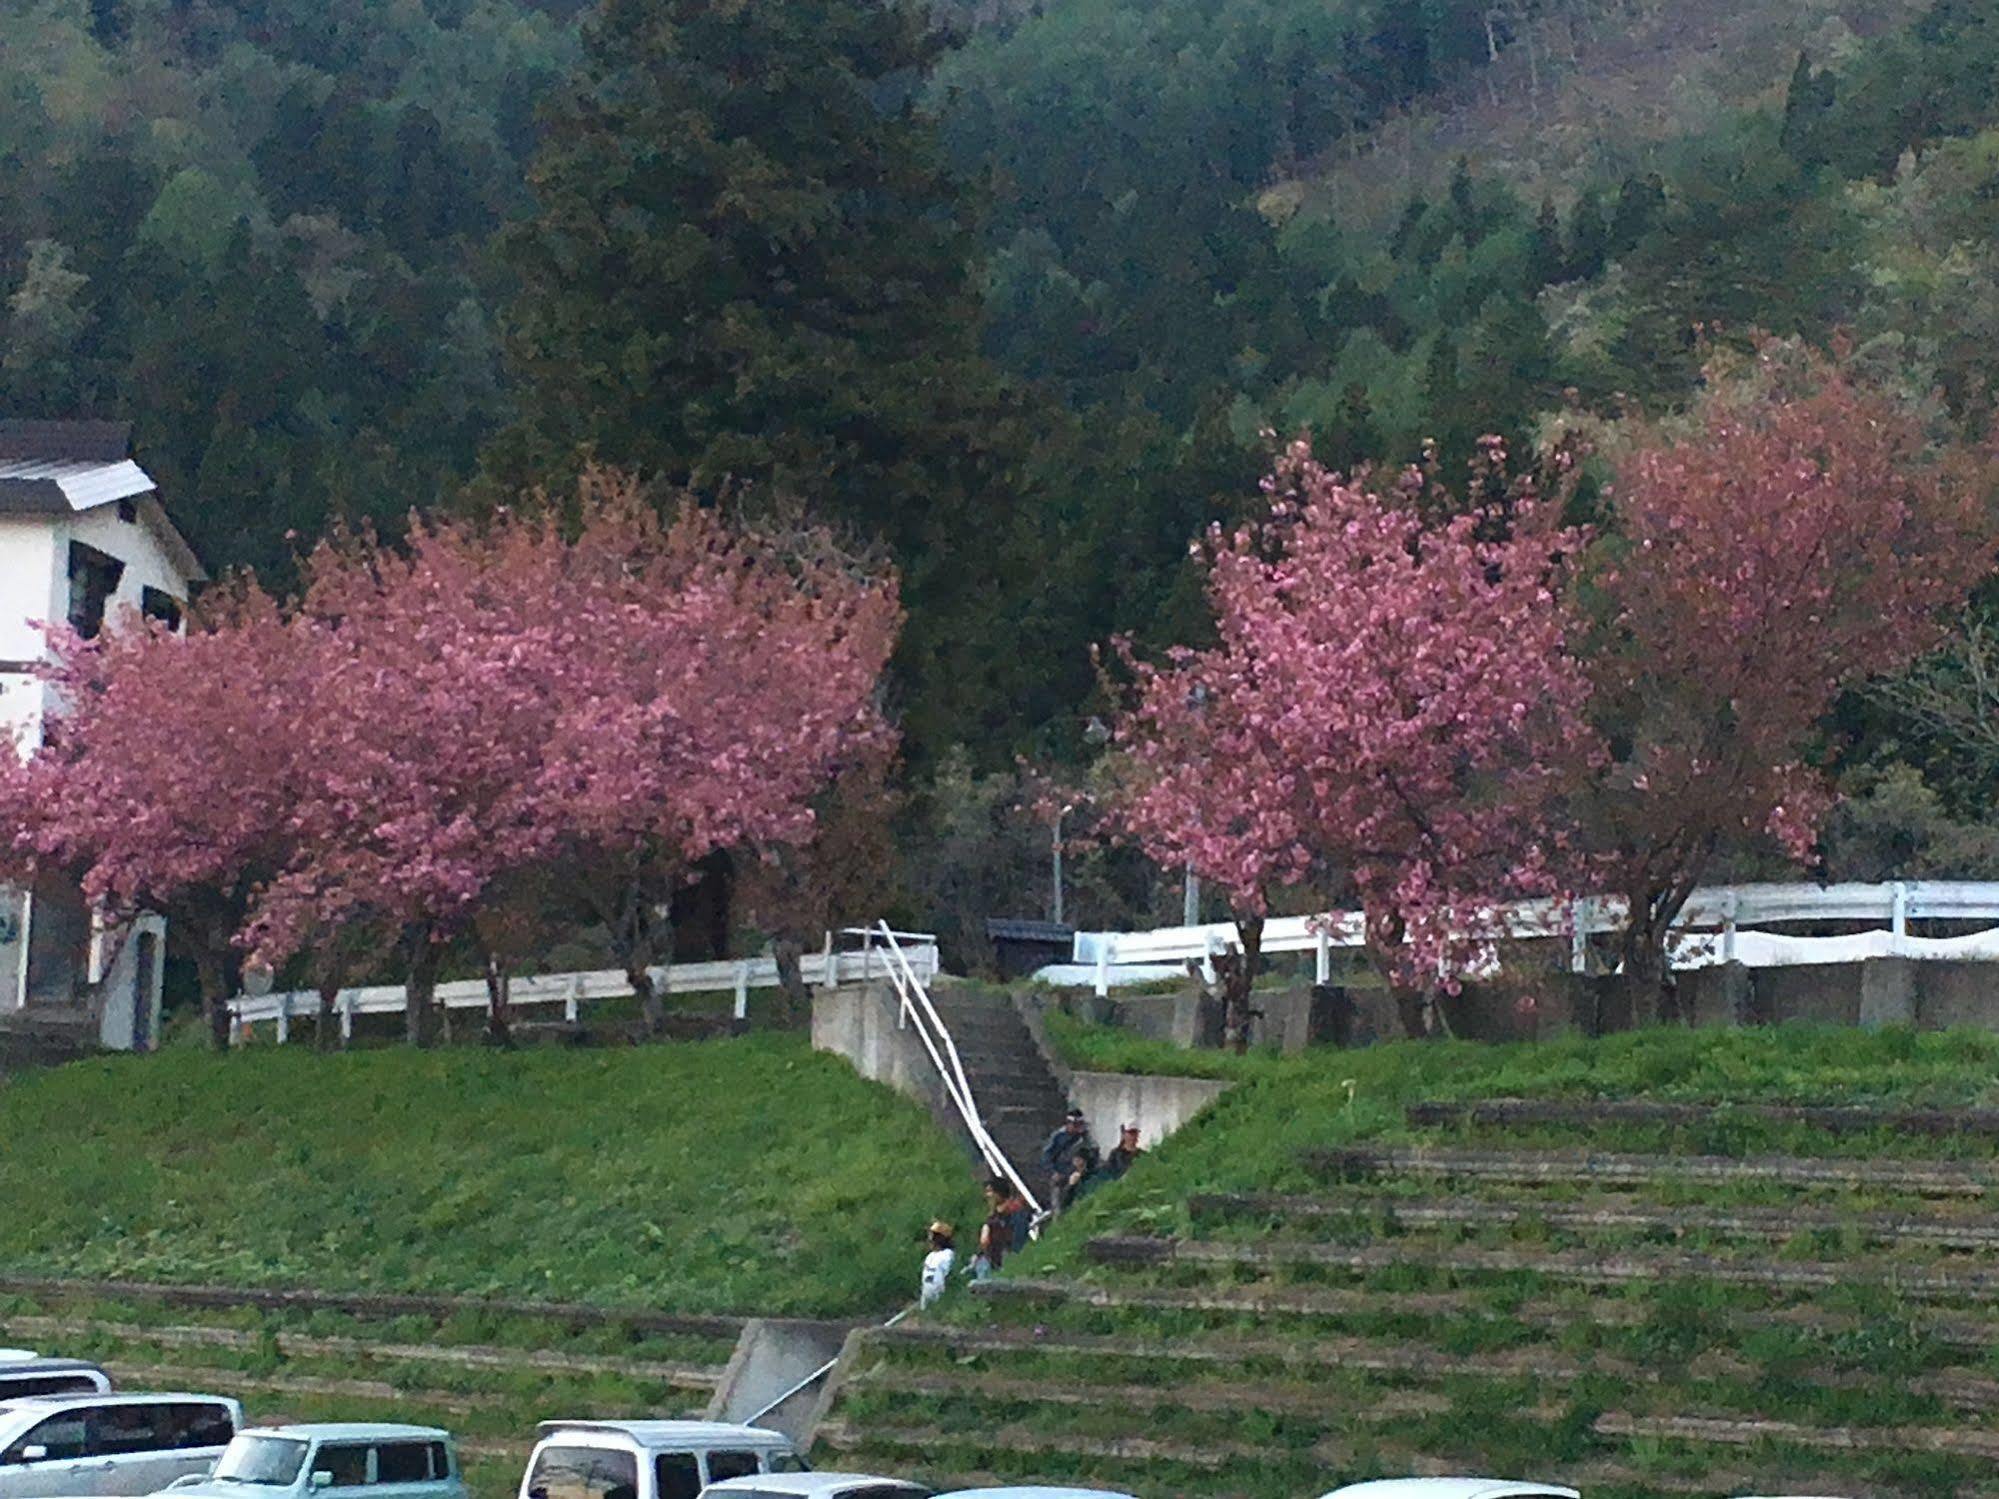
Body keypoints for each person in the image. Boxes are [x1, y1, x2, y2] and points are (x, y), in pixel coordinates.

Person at [970, 1176, 1032, 1280]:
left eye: (990, 1191)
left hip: (1006, 1263)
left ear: (999, 1193)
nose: (987, 1195)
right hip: (992, 1260)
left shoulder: (1016, 1213)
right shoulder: (993, 1216)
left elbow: (1017, 1241)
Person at [1040, 1107, 1097, 1215]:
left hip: (1078, 1177)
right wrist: (1053, 1172)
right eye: (1073, 1124)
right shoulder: (1058, 1136)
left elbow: (1093, 1153)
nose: (1075, 1127)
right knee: (1058, 1207)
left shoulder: (1085, 1138)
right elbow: (1046, 1156)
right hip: (1060, 1175)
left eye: (1078, 1124)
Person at [919, 1220, 955, 1307]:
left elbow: (949, 1277)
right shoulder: (930, 1256)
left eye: (933, 1236)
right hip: (926, 1300)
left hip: (941, 1300)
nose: (930, 1239)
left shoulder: (948, 1255)